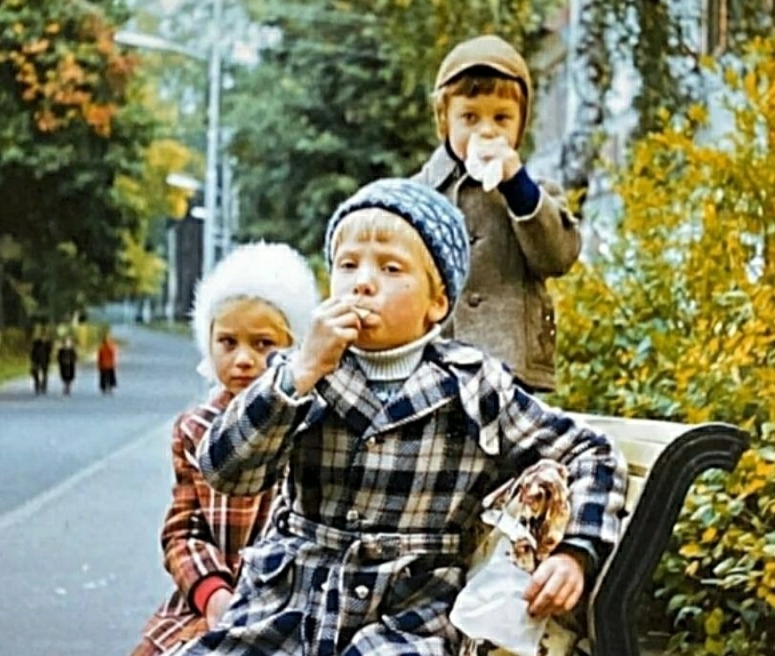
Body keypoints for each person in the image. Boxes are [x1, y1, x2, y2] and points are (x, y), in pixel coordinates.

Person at [186, 179, 626, 656]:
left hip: (408, 612)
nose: (363, 281)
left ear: (437, 304)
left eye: (390, 268)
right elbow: (225, 471)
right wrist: (300, 372)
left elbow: (590, 452)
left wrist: (575, 551)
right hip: (291, 599)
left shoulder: (472, 384)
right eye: (347, 265)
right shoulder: (303, 370)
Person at [129, 242, 320, 656]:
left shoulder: (311, 424)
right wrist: (211, 592)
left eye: (264, 343)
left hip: (288, 603)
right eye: (228, 342)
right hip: (212, 595)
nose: (244, 359)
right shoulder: (195, 429)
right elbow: (183, 530)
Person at [413, 34, 582, 392]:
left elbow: (558, 257)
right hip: (435, 363)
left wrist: (517, 187)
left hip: (512, 366)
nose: (486, 129)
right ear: (445, 122)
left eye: (502, 118)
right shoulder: (419, 194)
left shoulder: (536, 193)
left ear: (520, 128)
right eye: (469, 117)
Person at [29, 327, 52, 395]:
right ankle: (37, 384)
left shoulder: (48, 343)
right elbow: (32, 351)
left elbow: (49, 351)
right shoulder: (36, 342)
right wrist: (32, 360)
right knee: (35, 373)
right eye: (42, 335)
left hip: (44, 360)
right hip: (36, 359)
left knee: (44, 374)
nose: (43, 337)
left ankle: (43, 386)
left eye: (44, 336)